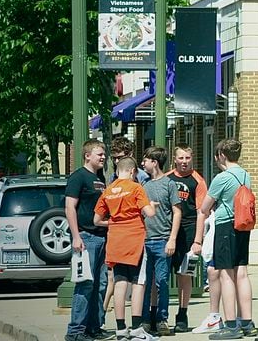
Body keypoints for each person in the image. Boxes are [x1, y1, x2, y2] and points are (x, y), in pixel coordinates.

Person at [93, 157, 157, 341]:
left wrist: (112, 222)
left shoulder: (108, 191)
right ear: (132, 172)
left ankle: (120, 329)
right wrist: (151, 206)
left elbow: (96, 220)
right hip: (135, 239)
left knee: (120, 283)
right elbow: (150, 213)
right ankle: (137, 329)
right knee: (138, 283)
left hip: (115, 240)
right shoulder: (136, 188)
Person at [199, 140, 256, 339]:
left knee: (226, 275)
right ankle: (247, 322)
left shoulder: (222, 178)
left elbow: (205, 207)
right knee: (242, 272)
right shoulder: (245, 175)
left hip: (225, 226)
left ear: (222, 154)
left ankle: (231, 325)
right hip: (243, 226)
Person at [65, 141, 114, 341]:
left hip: (102, 236)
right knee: (85, 284)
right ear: (87, 156)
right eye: (99, 154)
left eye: (104, 154)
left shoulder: (100, 178)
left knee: (100, 284)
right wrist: (76, 236)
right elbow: (69, 207)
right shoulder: (78, 177)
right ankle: (75, 331)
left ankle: (94, 327)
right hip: (85, 237)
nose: (103, 157)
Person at [140, 147, 182, 336]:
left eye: (146, 160)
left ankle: (162, 319)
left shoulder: (169, 184)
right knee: (145, 282)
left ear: (155, 162)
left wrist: (172, 239)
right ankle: (145, 320)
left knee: (162, 281)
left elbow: (177, 211)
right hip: (145, 240)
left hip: (162, 239)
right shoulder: (143, 185)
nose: (143, 164)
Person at [166, 145, 209, 332]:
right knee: (161, 274)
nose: (184, 162)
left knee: (185, 274)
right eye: (181, 158)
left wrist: (197, 240)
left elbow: (202, 212)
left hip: (190, 229)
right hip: (168, 229)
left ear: (192, 159)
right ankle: (157, 314)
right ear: (175, 159)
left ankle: (182, 314)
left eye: (187, 158)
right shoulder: (167, 178)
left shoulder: (197, 181)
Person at [190, 216, 224, 334]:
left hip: (223, 229)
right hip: (234, 227)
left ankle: (216, 318)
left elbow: (203, 211)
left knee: (216, 271)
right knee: (236, 273)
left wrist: (197, 241)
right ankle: (243, 320)